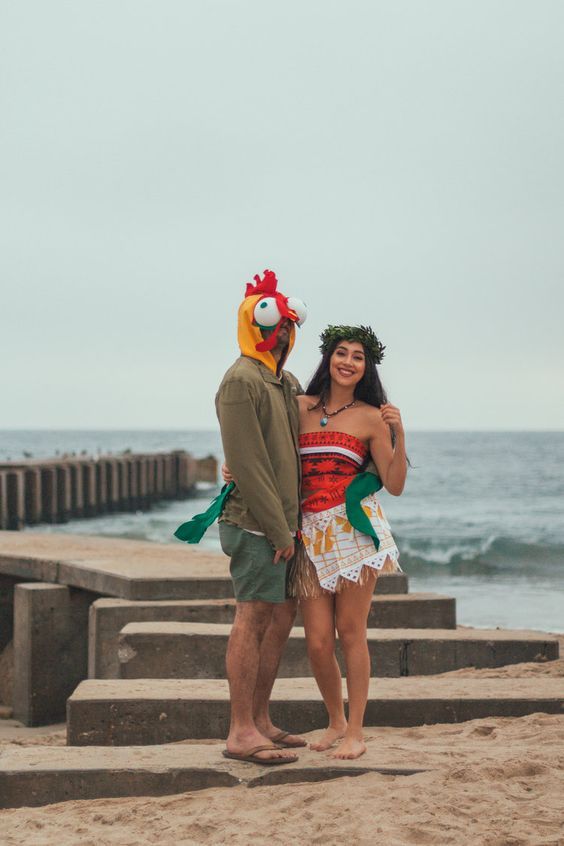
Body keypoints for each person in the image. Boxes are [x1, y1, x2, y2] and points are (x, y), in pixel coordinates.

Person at [288, 324, 406, 759]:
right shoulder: (297, 406)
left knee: (351, 632)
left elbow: (393, 484)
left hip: (355, 532)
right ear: (328, 358)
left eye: (358, 356)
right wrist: (233, 469)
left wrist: (400, 432)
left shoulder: (373, 417)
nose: (348, 362)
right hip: (308, 534)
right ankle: (334, 720)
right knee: (318, 640)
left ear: (366, 367)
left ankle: (356, 730)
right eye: (342, 353)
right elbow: (268, 448)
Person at [214, 269, 308, 765]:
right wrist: (278, 530)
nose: (286, 335)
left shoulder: (282, 380)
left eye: (292, 328)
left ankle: (262, 719)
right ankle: (240, 731)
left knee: (279, 617)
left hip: (282, 526)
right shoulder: (240, 380)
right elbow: (247, 467)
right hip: (255, 524)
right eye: (279, 326)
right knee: (251, 618)